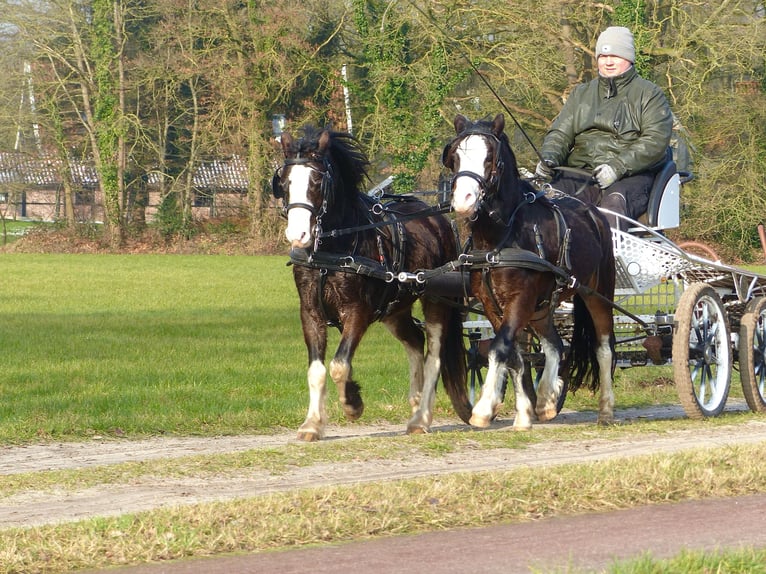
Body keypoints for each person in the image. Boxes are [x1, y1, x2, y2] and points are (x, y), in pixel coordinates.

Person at [535, 26, 673, 229]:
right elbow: (560, 133)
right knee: (542, 198)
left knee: (613, 203)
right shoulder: (580, 94)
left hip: (631, 178)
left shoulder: (650, 95)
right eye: (603, 55)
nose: (608, 62)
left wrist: (616, 168)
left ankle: (611, 259)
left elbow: (655, 141)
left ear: (629, 58)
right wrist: (548, 158)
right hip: (581, 174)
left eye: (615, 55)